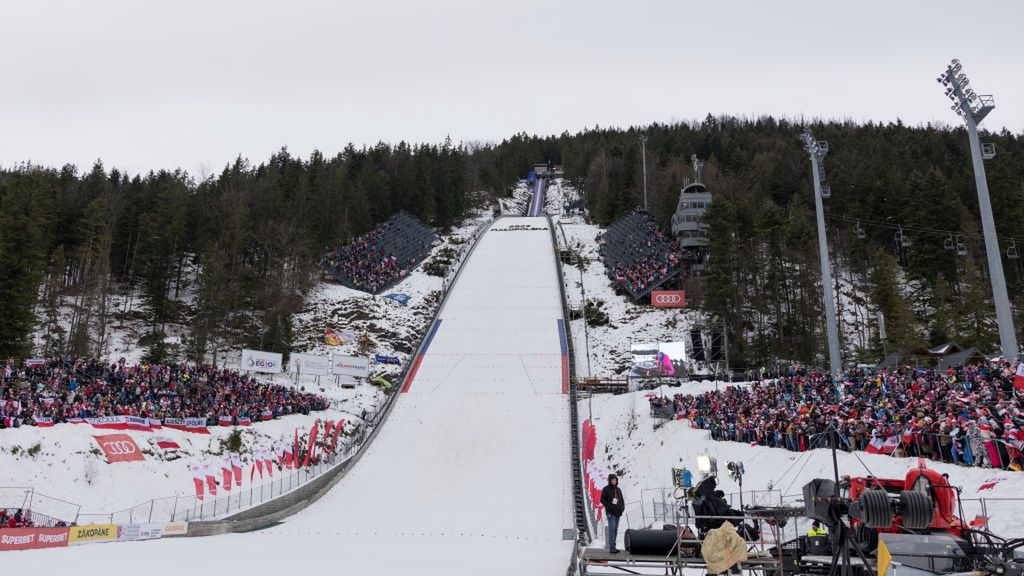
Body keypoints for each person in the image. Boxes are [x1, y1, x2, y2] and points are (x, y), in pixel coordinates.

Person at [601, 474, 626, 554]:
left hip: (618, 513)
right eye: (612, 480)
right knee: (611, 529)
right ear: (610, 480)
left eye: (615, 480)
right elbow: (602, 499)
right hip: (611, 513)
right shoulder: (606, 489)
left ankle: (614, 546)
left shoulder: (618, 490)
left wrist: (622, 508)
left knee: (615, 530)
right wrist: (608, 506)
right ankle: (611, 546)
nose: (614, 481)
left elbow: (622, 500)